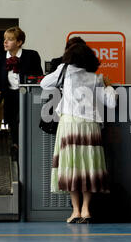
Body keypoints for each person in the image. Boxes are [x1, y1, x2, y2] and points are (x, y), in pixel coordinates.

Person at [40, 43, 117, 223]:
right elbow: (111, 103)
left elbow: (44, 83)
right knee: (88, 167)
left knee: (71, 167)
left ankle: (75, 211)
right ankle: (86, 209)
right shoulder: (96, 78)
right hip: (90, 125)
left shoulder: (64, 71)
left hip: (69, 124)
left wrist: (61, 70)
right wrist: (109, 86)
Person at [0, 26, 43, 159]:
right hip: (9, 95)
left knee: (26, 120)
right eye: (5, 39)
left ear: (19, 42)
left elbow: (39, 77)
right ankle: (16, 146)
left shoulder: (31, 56)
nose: (5, 42)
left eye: (9, 39)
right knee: (12, 121)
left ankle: (28, 145)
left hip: (27, 95)